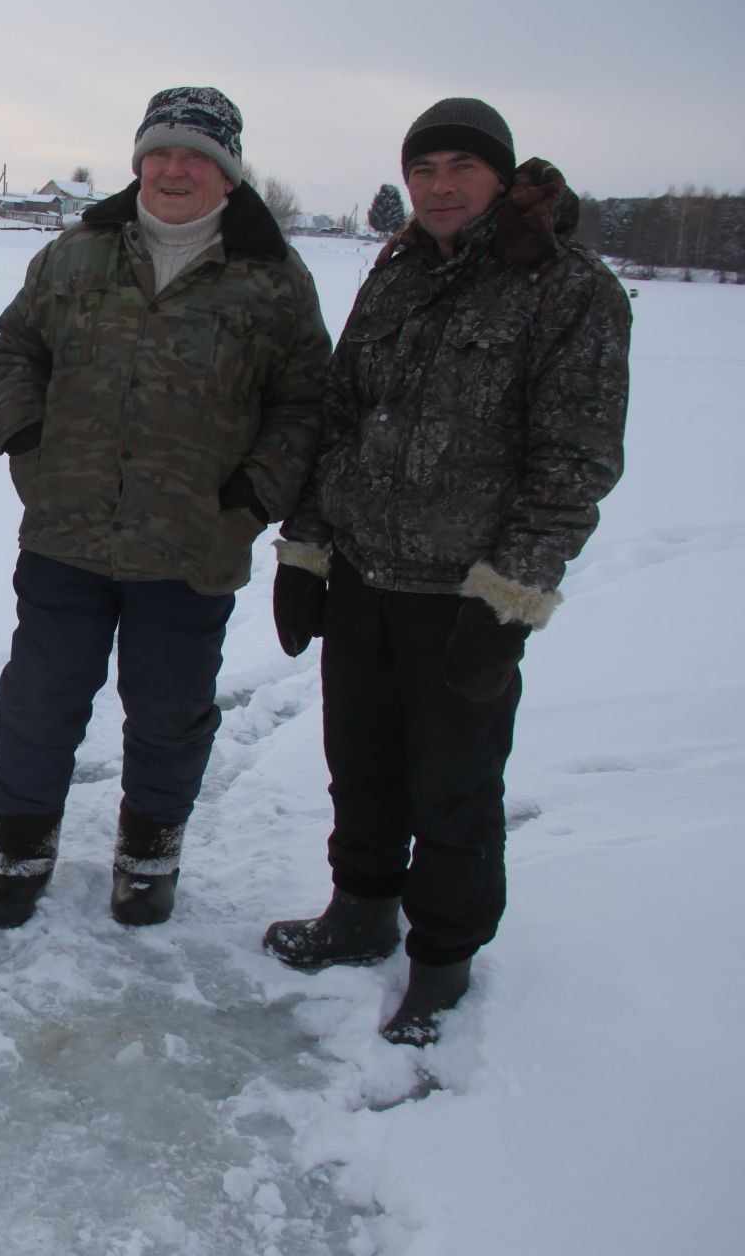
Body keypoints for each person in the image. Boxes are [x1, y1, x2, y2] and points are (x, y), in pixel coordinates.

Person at [263, 99, 630, 1045]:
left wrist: (507, 600)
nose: (439, 185)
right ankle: (360, 913)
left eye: (462, 166)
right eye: (423, 168)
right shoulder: (394, 271)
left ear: (503, 178)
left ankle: (443, 959)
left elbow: (573, 463)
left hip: (461, 597)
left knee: (456, 787)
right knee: (363, 765)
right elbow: (341, 417)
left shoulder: (568, 288)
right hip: (363, 578)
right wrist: (306, 551)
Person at [0, 86, 330, 929]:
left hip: (193, 543)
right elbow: (15, 344)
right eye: (161, 153)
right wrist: (25, 431)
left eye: (196, 156)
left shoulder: (273, 280)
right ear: (139, 163)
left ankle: (148, 857)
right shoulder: (77, 254)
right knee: (38, 701)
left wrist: (254, 494)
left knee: (170, 711)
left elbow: (307, 404)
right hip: (68, 529)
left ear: (229, 176)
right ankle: (19, 849)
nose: (175, 169)